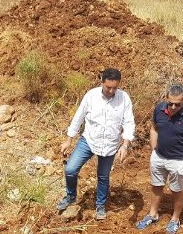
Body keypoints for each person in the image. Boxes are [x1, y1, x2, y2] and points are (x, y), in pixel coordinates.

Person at [57, 68, 135, 220]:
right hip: (89, 140)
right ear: (102, 82)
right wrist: (69, 140)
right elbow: (78, 117)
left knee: (103, 176)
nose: (112, 91)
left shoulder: (124, 98)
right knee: (71, 169)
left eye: (115, 87)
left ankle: (100, 205)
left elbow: (129, 122)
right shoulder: (91, 96)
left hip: (110, 144)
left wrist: (125, 145)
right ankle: (71, 197)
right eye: (108, 87)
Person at [136, 84, 183, 234]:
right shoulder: (159, 109)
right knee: (156, 186)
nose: (173, 107)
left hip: (178, 161)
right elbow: (154, 128)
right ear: (166, 98)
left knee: (176, 190)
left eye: (177, 104)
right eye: (170, 103)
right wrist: (154, 149)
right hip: (158, 157)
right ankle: (153, 215)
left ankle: (175, 219)